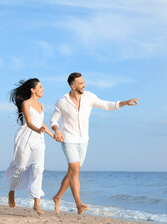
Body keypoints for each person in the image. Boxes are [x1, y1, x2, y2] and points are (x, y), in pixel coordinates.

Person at [50, 72, 138, 215]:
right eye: (80, 83)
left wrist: (125, 102)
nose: (83, 85)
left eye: (83, 82)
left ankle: (57, 196)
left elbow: (107, 105)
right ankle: (78, 204)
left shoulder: (89, 97)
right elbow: (54, 120)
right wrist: (57, 130)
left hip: (84, 140)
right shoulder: (62, 101)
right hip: (69, 139)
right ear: (73, 86)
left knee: (73, 172)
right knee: (75, 170)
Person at [5, 78, 55, 215]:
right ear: (33, 90)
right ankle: (12, 191)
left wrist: (53, 135)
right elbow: (29, 122)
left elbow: (42, 123)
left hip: (39, 139)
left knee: (39, 168)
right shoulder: (26, 104)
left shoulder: (41, 105)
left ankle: (36, 204)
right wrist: (37, 129)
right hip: (25, 137)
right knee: (20, 167)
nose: (42, 89)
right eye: (40, 87)